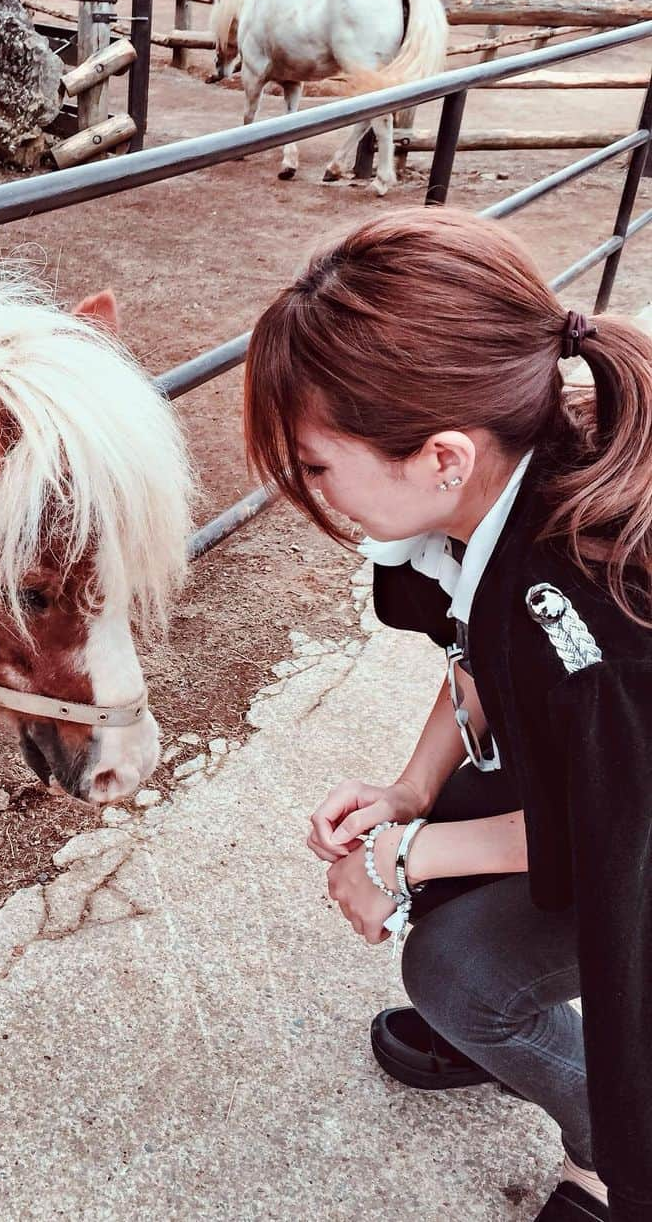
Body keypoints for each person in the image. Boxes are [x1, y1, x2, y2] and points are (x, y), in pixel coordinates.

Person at [243, 207, 652, 1222]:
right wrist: (412, 790)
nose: (311, 490)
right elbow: (475, 657)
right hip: (613, 786)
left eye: (320, 464)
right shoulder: (515, 485)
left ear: (442, 457)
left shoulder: (586, 610)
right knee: (461, 897)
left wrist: (408, 855)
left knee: (456, 971)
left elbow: (621, 829)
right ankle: (504, 1022)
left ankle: (619, 1148)